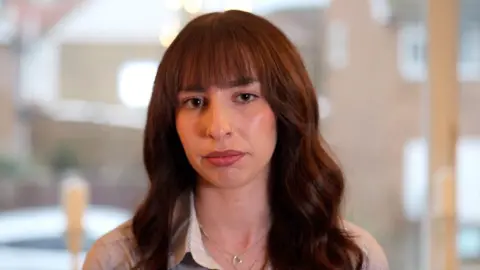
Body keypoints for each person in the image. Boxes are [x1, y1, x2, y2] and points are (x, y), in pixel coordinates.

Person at [83, 10, 389, 270]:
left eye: (244, 96)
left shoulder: (352, 258)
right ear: (170, 121)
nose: (218, 128)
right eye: (195, 101)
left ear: (286, 109)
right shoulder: (118, 259)